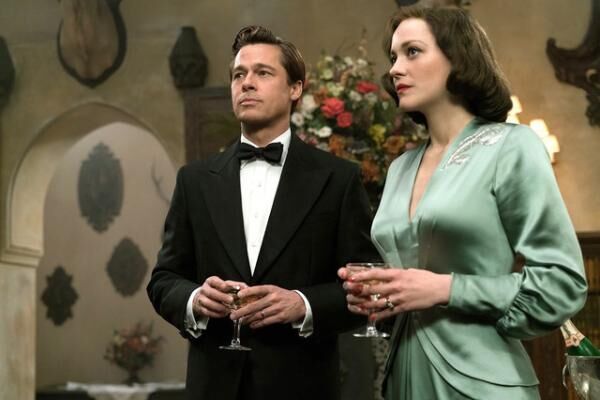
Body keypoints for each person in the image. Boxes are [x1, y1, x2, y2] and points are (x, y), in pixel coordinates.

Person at [338, 6, 588, 400]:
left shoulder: (512, 146)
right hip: (402, 376)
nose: (395, 69)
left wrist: (447, 289)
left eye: (412, 52)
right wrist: (382, 297)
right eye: (393, 57)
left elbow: (562, 284)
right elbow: (406, 278)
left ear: (458, 58)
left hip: (481, 382)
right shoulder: (401, 167)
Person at [147, 25, 378, 400]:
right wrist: (194, 299)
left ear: (295, 88)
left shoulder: (338, 179)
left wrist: (302, 304)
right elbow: (163, 280)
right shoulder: (194, 181)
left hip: (302, 387)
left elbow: (364, 285)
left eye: (263, 73)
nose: (247, 83)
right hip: (214, 387)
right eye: (239, 74)